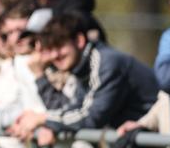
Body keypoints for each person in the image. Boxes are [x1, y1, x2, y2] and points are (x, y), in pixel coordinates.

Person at [10, 13, 158, 138]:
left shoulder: (104, 62)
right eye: (50, 48)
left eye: (60, 46)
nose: (55, 55)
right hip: (136, 136)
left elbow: (91, 116)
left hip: (156, 137)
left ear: (79, 41)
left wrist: (43, 119)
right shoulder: (81, 65)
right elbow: (72, 108)